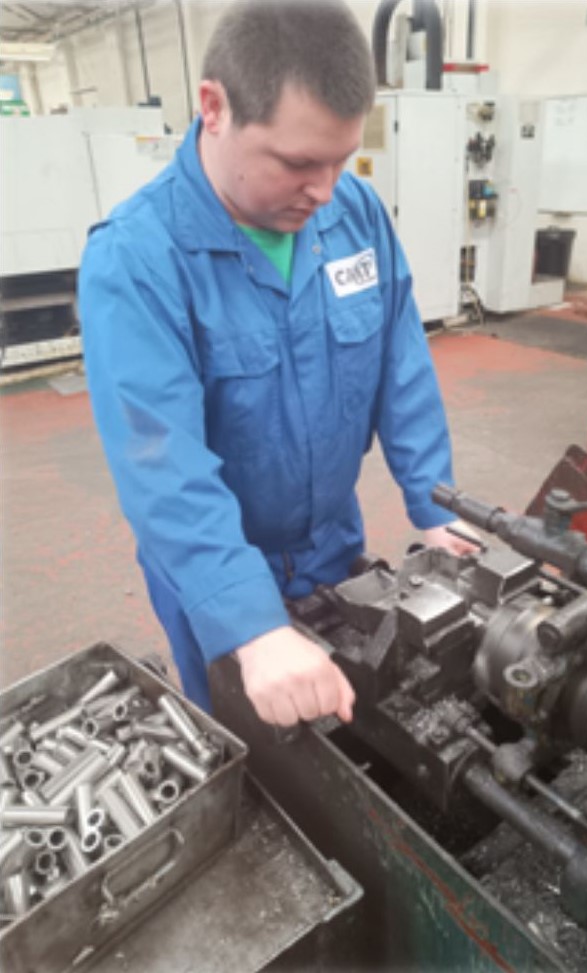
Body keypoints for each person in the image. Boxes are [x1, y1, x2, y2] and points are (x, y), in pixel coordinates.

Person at [79, 0, 476, 726]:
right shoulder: (136, 258)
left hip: (333, 540)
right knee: (252, 752)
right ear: (214, 108)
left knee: (362, 723)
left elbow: (400, 361)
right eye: (297, 163)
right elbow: (161, 464)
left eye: (341, 159)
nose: (324, 190)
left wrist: (439, 506)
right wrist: (250, 626)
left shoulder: (352, 213)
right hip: (215, 564)